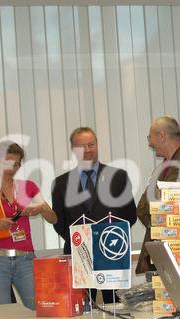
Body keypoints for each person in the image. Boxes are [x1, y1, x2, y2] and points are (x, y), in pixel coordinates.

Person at [0, 141, 57, 310]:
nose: (13, 168)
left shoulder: (27, 187)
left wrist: (40, 209)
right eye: (8, 163)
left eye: (17, 164)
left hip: (25, 260)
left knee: (37, 310)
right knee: (3, 314)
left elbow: (53, 219)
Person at [52, 127, 136, 303]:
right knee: (82, 310)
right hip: (78, 256)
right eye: (82, 146)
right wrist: (81, 241)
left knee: (115, 309)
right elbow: (58, 222)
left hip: (112, 253)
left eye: (91, 144)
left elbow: (130, 215)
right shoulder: (61, 183)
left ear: (97, 145)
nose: (88, 150)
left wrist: (109, 238)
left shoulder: (118, 177)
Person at [136, 116, 180, 274]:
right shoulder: (164, 167)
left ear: (161, 136)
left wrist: (153, 207)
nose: (149, 143)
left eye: (150, 137)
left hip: (177, 253)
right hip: (163, 253)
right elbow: (141, 209)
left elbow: (165, 209)